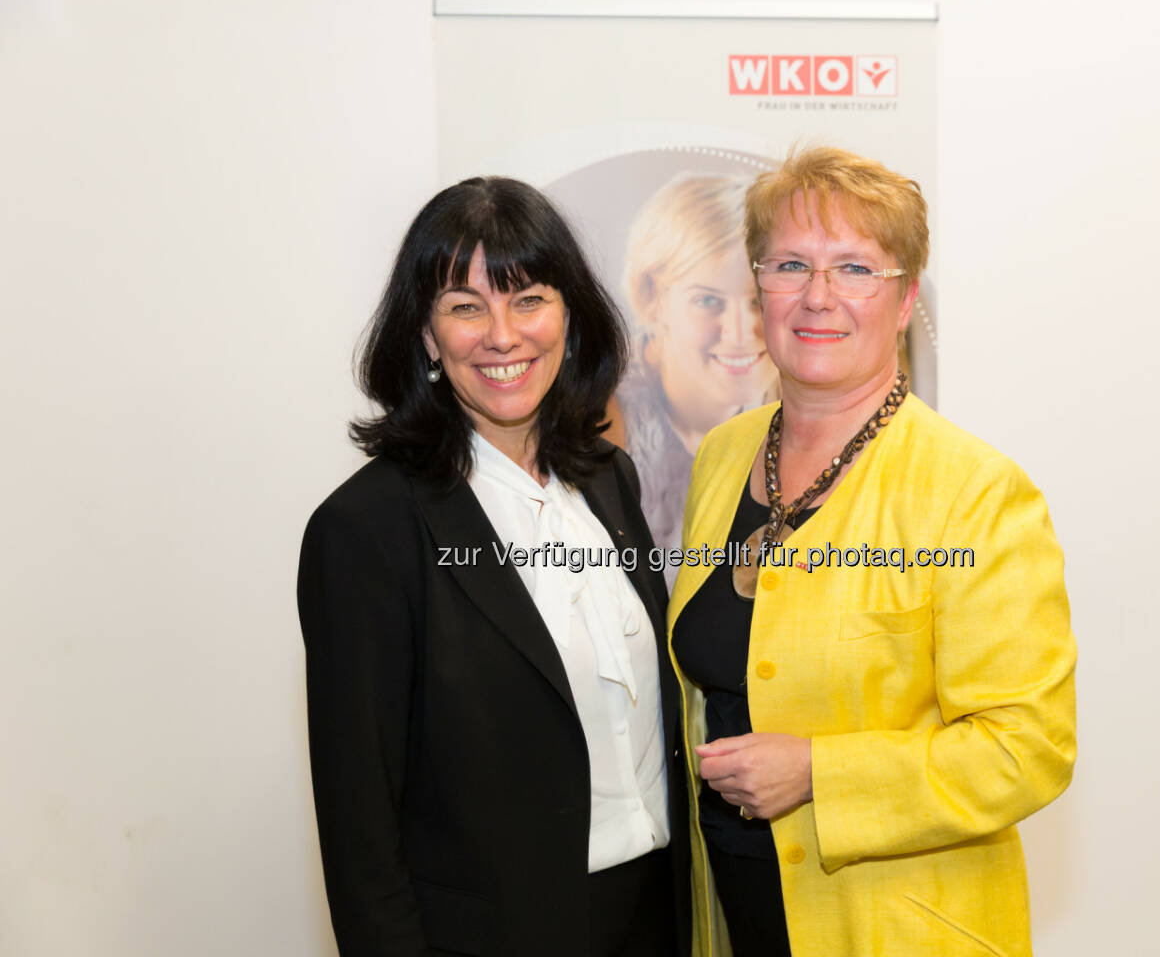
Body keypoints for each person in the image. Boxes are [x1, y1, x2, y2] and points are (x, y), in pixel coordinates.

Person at [667, 147, 1077, 957]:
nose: (818, 296)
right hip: (738, 915)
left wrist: (822, 771)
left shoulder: (974, 491)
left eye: (855, 268)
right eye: (791, 264)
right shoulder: (722, 456)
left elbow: (1028, 747)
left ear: (903, 301)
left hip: (897, 931)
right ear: (760, 291)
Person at [297, 177, 689, 957]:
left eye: (529, 298)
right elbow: (360, 830)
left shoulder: (610, 478)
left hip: (651, 916)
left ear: (570, 316)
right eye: (465, 307)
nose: (503, 335)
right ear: (426, 336)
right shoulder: (366, 530)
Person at [611, 174, 779, 581]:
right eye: (708, 300)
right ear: (651, 298)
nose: (740, 334)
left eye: (759, 301)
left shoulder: (804, 411)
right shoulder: (597, 418)